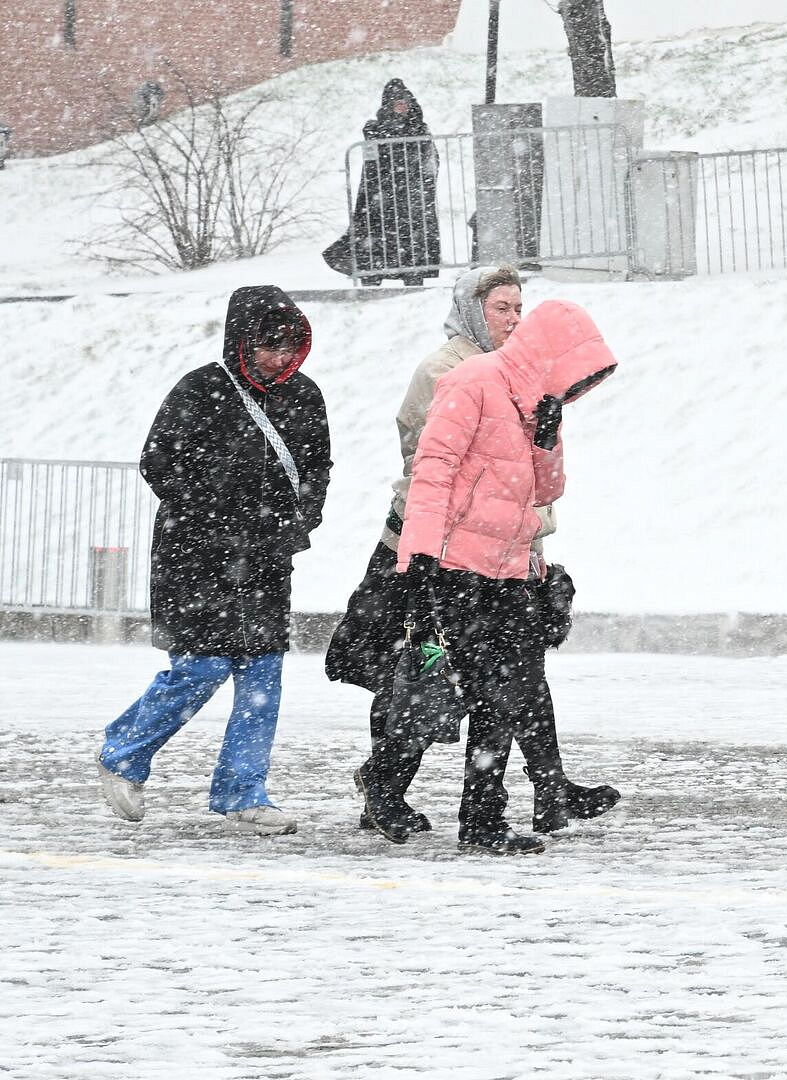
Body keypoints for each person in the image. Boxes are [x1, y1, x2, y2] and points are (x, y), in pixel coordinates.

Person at [327, 266, 618, 843]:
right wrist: (418, 560)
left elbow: (546, 490)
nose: (511, 319)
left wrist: (547, 435)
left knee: (505, 690)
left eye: (518, 309)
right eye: (500, 308)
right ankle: (405, 792)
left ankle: (482, 816)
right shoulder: (470, 379)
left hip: (507, 567)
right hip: (453, 566)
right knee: (450, 685)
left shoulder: (531, 398)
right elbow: (431, 472)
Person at [97, 286, 331, 835]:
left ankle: (242, 792)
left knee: (262, 677)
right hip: (195, 557)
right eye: (266, 345)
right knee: (200, 668)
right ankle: (123, 754)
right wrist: (216, 521)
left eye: (288, 346)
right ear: (240, 341)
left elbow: (318, 469)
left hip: (269, 558)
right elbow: (157, 462)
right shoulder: (201, 389)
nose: (278, 357)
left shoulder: (306, 396)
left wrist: (301, 522)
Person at [326, 79, 440, 286]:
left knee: (409, 238)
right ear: (389, 104)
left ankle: (412, 274)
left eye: (405, 100)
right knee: (376, 236)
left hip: (409, 194)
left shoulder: (419, 127)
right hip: (383, 193)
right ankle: (373, 275)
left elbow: (429, 158)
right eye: (397, 101)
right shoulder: (379, 128)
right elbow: (374, 160)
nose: (402, 105)